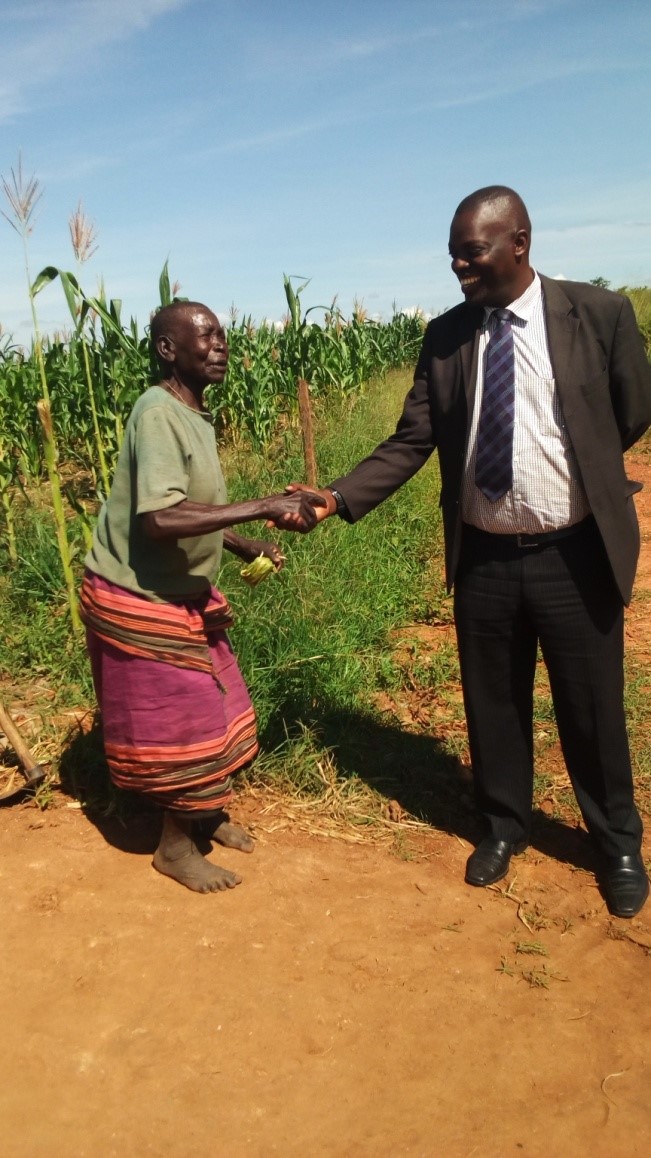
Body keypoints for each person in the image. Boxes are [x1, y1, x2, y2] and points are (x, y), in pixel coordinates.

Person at [281, 186, 651, 918]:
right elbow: (413, 437)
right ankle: (503, 825)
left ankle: (615, 843)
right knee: (492, 705)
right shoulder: (447, 335)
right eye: (452, 251)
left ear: (518, 242)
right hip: (483, 557)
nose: (457, 264)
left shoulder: (596, 315)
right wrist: (335, 496)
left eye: (470, 249)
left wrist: (586, 476)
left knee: (591, 710)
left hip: (573, 554)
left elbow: (631, 411)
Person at [81, 301, 323, 893]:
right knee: (186, 718)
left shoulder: (193, 413)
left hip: (180, 592)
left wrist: (240, 544)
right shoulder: (157, 412)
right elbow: (161, 519)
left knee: (223, 701)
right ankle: (175, 846)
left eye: (222, 334)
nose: (221, 344)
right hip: (136, 594)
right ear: (168, 349)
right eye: (206, 335)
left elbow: (193, 508)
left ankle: (204, 814)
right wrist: (266, 503)